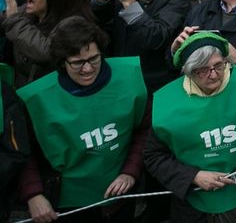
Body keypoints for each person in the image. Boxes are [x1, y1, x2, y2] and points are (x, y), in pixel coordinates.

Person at [17, 16, 149, 220]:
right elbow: (24, 152)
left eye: (93, 59)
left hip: (120, 196)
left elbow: (145, 129)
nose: (87, 69)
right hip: (65, 202)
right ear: (62, 62)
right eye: (77, 63)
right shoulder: (35, 99)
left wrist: (131, 171)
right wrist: (33, 194)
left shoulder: (130, 77)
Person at [146, 32, 236, 223]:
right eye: (202, 70)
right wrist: (192, 176)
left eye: (218, 66)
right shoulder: (166, 103)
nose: (213, 74)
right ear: (188, 71)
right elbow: (153, 156)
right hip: (194, 204)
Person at [1, 0, 94, 86]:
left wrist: (13, 19)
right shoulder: (28, 12)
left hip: (54, 98)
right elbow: (5, 21)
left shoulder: (76, 24)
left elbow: (46, 51)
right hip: (24, 94)